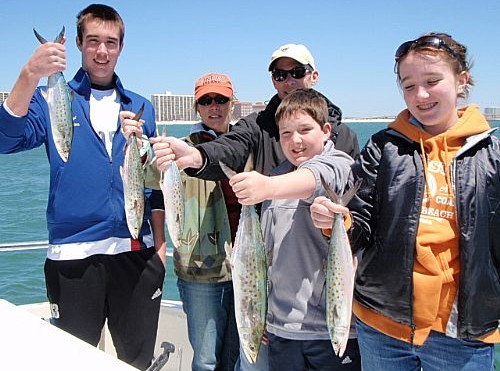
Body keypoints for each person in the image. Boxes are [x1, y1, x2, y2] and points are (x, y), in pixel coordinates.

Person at [310, 33, 499, 371]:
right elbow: (361, 223)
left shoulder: (492, 157)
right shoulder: (384, 148)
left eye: (432, 81)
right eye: (408, 85)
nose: (420, 95)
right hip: (382, 325)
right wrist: (337, 221)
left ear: (461, 81)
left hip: (461, 334)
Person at [0, 4, 165, 370]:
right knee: (73, 363)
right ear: (77, 44)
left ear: (121, 47)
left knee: (136, 363)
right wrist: (30, 73)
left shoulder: (141, 107)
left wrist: (161, 248)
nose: (102, 51)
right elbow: (6, 139)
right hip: (72, 258)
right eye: (93, 41)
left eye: (110, 42)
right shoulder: (50, 98)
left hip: (136, 256)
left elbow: (151, 184)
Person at [226, 89, 361, 370]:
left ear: (326, 131)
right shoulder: (277, 176)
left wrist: (264, 187)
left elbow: (317, 176)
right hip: (280, 331)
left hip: (328, 330)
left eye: (304, 130)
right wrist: (260, 316)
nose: (295, 140)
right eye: (286, 133)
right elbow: (264, 260)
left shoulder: (341, 164)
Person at [126, 73, 241, 371]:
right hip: (200, 271)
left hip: (246, 269)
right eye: (206, 101)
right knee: (206, 359)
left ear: (233, 103)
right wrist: (138, 145)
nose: (213, 107)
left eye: (220, 100)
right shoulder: (179, 148)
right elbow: (146, 176)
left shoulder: (247, 145)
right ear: (197, 107)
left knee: (241, 357)